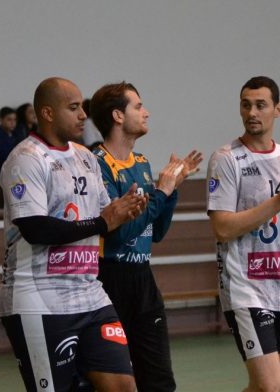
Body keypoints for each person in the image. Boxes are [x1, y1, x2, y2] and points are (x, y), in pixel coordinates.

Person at [0, 77, 147, 392]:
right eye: (74, 108)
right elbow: (35, 228)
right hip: (39, 298)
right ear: (48, 113)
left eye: (83, 107)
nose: (84, 115)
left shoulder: (85, 156)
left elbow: (105, 215)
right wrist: (102, 224)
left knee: (124, 385)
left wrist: (127, 210)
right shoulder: (26, 158)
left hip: (90, 294)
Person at [207, 76, 280, 392]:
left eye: (261, 105)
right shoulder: (226, 159)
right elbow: (222, 227)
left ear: (278, 109)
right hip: (246, 288)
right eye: (246, 105)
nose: (252, 112)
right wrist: (279, 201)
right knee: (268, 385)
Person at [91, 81, 203, 391]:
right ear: (117, 115)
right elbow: (118, 233)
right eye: (138, 106)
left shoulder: (141, 164)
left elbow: (156, 233)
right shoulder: (96, 165)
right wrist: (162, 191)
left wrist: (172, 190)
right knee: (112, 382)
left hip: (143, 280)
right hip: (107, 280)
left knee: (160, 381)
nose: (146, 112)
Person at [0, 106, 27, 177]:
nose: (12, 123)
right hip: (0, 173)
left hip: (14, 171)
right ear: (1, 120)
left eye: (15, 120)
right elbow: (5, 156)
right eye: (9, 120)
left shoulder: (15, 134)